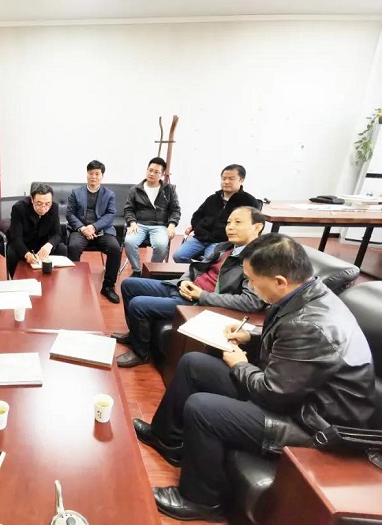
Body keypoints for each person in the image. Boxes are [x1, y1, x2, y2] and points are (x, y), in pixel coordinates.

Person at [134, 233, 376, 521]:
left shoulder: (310, 325)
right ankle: (167, 440)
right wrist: (251, 336)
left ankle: (201, 501)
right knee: (193, 364)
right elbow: (289, 347)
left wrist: (240, 365)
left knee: (202, 408)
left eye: (252, 281)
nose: (249, 286)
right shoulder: (305, 294)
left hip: (314, 424)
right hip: (297, 396)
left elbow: (273, 394)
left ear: (279, 281)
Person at [113, 206, 266, 368]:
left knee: (138, 304)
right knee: (129, 285)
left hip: (200, 303)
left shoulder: (258, 260)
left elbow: (251, 301)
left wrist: (202, 296)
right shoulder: (225, 247)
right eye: (229, 222)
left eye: (238, 222)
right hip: (186, 289)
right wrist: (184, 281)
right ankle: (135, 334)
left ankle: (141, 353)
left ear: (257, 227)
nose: (230, 227)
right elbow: (196, 267)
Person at [173, 164, 259, 263]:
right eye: (224, 178)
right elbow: (197, 216)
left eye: (231, 179)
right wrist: (199, 229)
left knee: (208, 262)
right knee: (178, 256)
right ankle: (197, 268)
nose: (226, 182)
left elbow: (250, 225)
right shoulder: (213, 198)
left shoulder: (248, 202)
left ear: (241, 180)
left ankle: (202, 267)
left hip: (222, 242)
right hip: (201, 238)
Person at [67, 160, 123, 303]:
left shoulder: (109, 194)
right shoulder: (76, 192)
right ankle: (73, 284)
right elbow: (70, 214)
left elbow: (110, 214)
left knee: (115, 249)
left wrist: (94, 227)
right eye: (91, 173)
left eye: (97, 174)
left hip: (101, 231)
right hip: (81, 230)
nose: (93, 176)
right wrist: (83, 228)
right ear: (87, 174)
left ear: (102, 176)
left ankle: (108, 287)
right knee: (73, 246)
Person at [124, 157, 181, 277]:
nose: (152, 174)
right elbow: (128, 209)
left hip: (160, 225)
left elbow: (175, 210)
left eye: (156, 172)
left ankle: (151, 271)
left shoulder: (169, 190)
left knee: (161, 245)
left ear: (162, 174)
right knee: (129, 241)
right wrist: (132, 222)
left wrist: (171, 225)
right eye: (150, 170)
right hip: (139, 224)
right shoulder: (135, 190)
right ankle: (137, 270)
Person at [6, 183, 68, 278]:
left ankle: (54, 279)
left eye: (47, 204)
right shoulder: (19, 208)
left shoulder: (54, 207)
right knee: (12, 253)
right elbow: (16, 237)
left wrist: (49, 245)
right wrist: (26, 254)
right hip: (24, 243)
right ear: (32, 199)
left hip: (43, 243)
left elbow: (57, 233)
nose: (43, 208)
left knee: (62, 248)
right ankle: (16, 280)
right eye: (39, 204)